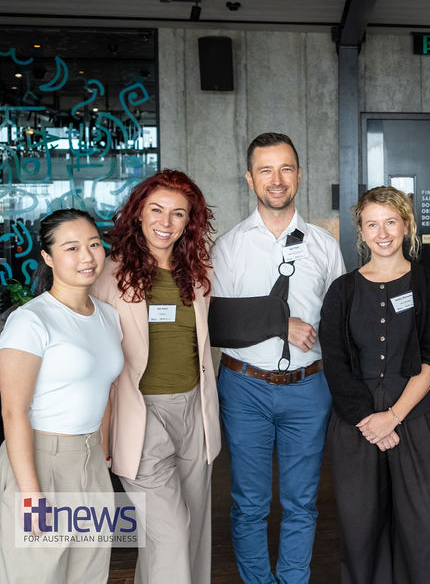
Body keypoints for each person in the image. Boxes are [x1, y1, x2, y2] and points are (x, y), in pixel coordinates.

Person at [210, 132, 346, 584]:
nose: (277, 179)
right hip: (244, 387)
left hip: (309, 389)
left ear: (299, 175)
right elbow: (220, 322)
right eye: (266, 170)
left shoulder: (324, 247)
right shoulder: (228, 246)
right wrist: (278, 323)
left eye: (286, 168)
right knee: (249, 503)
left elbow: (339, 321)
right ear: (250, 179)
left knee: (301, 502)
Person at [92, 170, 220, 583]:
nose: (165, 223)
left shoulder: (199, 272)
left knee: (194, 529)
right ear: (139, 213)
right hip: (140, 415)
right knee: (169, 531)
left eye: (177, 214)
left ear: (190, 222)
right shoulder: (108, 275)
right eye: (157, 210)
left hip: (194, 411)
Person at [320, 186, 430, 584]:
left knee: (425, 528)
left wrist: (392, 417)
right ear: (360, 232)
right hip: (356, 425)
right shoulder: (342, 291)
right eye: (372, 224)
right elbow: (336, 363)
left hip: (416, 420)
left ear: (407, 225)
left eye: (391, 222)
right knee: (361, 531)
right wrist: (369, 420)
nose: (382, 233)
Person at [0, 209, 124, 583]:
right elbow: (13, 411)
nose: (87, 257)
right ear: (49, 257)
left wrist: (101, 454)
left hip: (91, 463)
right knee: (38, 573)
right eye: (72, 248)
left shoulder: (108, 316)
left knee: (89, 573)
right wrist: (31, 496)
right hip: (40, 461)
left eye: (92, 245)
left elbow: (105, 390)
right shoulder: (30, 320)